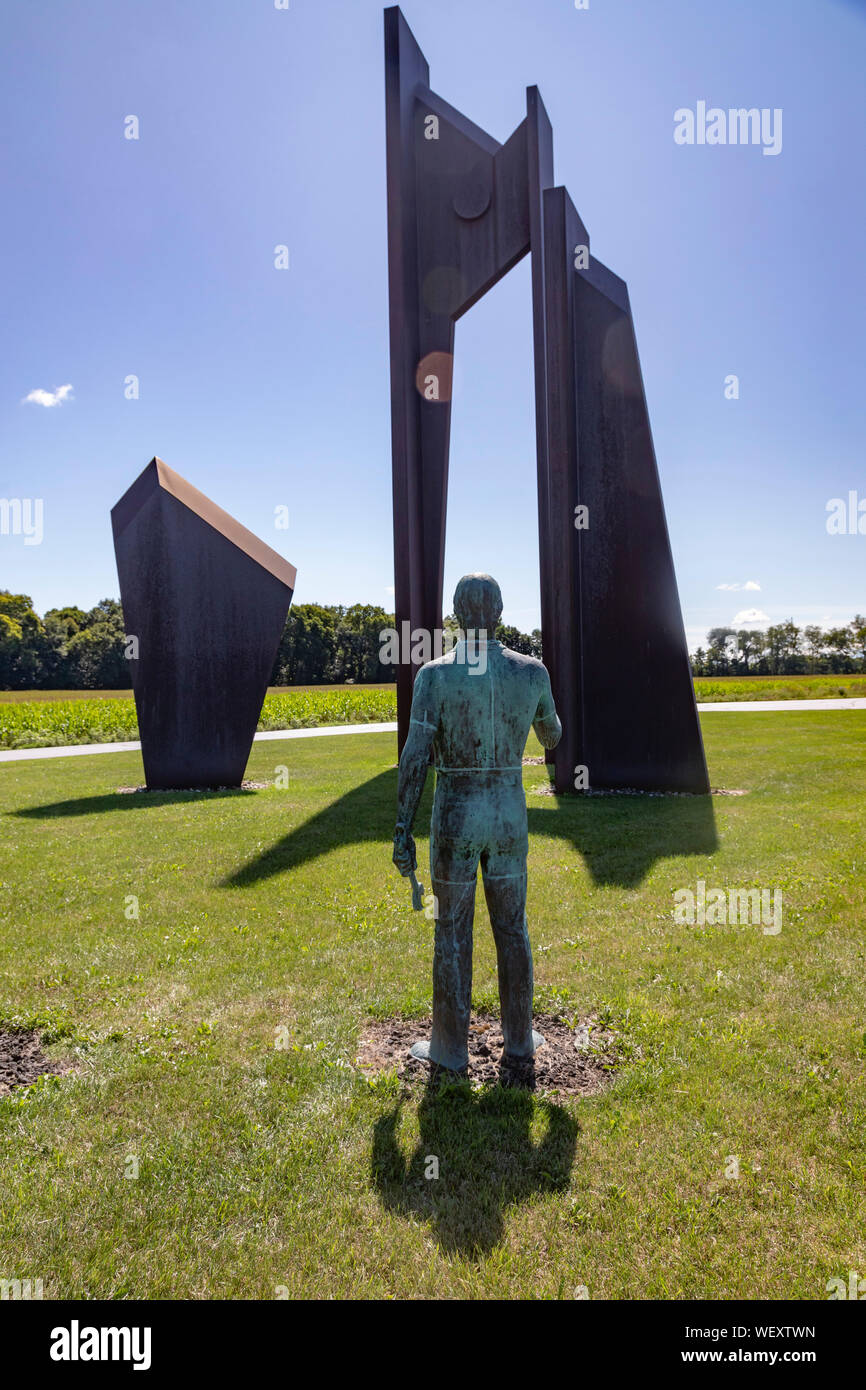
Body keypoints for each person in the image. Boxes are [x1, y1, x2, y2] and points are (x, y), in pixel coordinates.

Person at [392, 573, 562, 1072]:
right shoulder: (531, 672)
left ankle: (449, 1048)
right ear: (501, 611)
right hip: (508, 811)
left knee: (451, 930)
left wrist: (403, 829)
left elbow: (414, 759)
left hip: (457, 813)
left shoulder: (436, 676)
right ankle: (519, 1041)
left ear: (457, 614)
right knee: (513, 928)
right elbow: (552, 737)